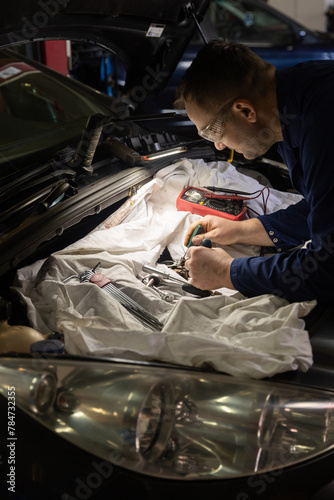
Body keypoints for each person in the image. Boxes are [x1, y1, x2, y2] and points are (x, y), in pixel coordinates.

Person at [174, 40, 334, 303]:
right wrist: (243, 230)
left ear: (245, 110)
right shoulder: (294, 105)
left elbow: (328, 269)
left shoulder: (324, 124)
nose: (219, 145)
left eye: (212, 131)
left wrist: (227, 272)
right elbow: (322, 206)